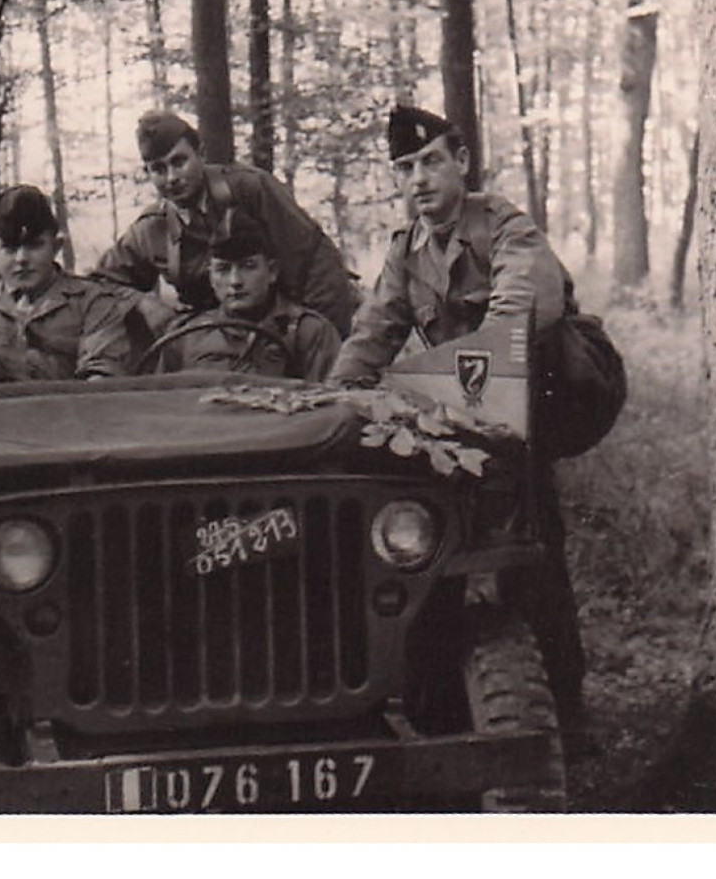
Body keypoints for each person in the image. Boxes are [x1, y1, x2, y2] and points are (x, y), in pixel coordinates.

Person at [329, 105, 588, 738]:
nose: (418, 179)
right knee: (426, 564)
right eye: (404, 168)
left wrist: (465, 380)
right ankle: (440, 719)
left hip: (521, 422)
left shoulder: (503, 226)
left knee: (532, 570)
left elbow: (522, 310)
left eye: (431, 162)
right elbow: (372, 335)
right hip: (455, 427)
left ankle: (566, 722)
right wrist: (332, 405)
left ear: (462, 163)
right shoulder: (406, 251)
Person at [91, 110, 358, 338]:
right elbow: (99, 286)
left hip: (286, 331)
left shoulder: (250, 190)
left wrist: (322, 339)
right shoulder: (151, 230)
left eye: (179, 162)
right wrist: (141, 303)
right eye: (158, 169)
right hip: (218, 345)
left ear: (201, 154)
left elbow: (316, 262)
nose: (171, 177)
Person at [159, 209, 340, 382]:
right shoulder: (186, 335)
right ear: (211, 277)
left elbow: (333, 404)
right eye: (223, 269)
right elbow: (161, 404)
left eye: (248, 266)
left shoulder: (309, 333)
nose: (235, 281)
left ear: (272, 272)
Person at [0, 185, 134, 382]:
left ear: (56, 246)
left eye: (35, 245)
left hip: (69, 410)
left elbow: (102, 377)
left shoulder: (92, 303)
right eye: (10, 248)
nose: (21, 258)